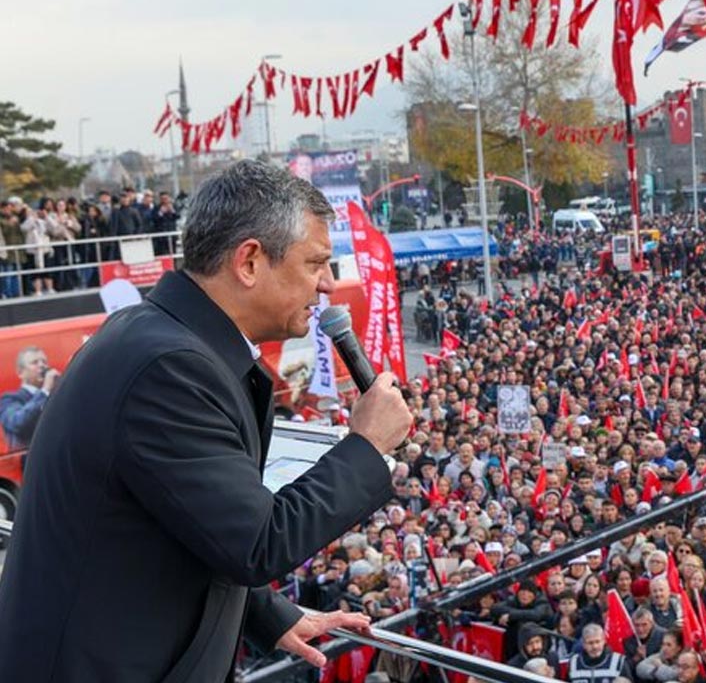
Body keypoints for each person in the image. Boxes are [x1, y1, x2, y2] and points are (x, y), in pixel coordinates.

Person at [0, 160, 414, 682]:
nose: (328, 284)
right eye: (315, 263)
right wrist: (366, 444)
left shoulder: (154, 336)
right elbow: (257, 542)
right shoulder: (169, 369)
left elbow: (186, 515)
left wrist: (267, 614)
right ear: (249, 261)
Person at [0, 347, 58, 451]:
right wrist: (45, 391)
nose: (42, 365)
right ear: (20, 372)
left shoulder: (53, 396)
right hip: (30, 459)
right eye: (34, 362)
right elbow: (18, 423)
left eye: (44, 362)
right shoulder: (9, 399)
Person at [567, 623, 634, 683]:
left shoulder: (619, 662)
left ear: (604, 641)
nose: (595, 646)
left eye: (597, 642)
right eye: (590, 643)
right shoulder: (573, 663)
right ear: (584, 644)